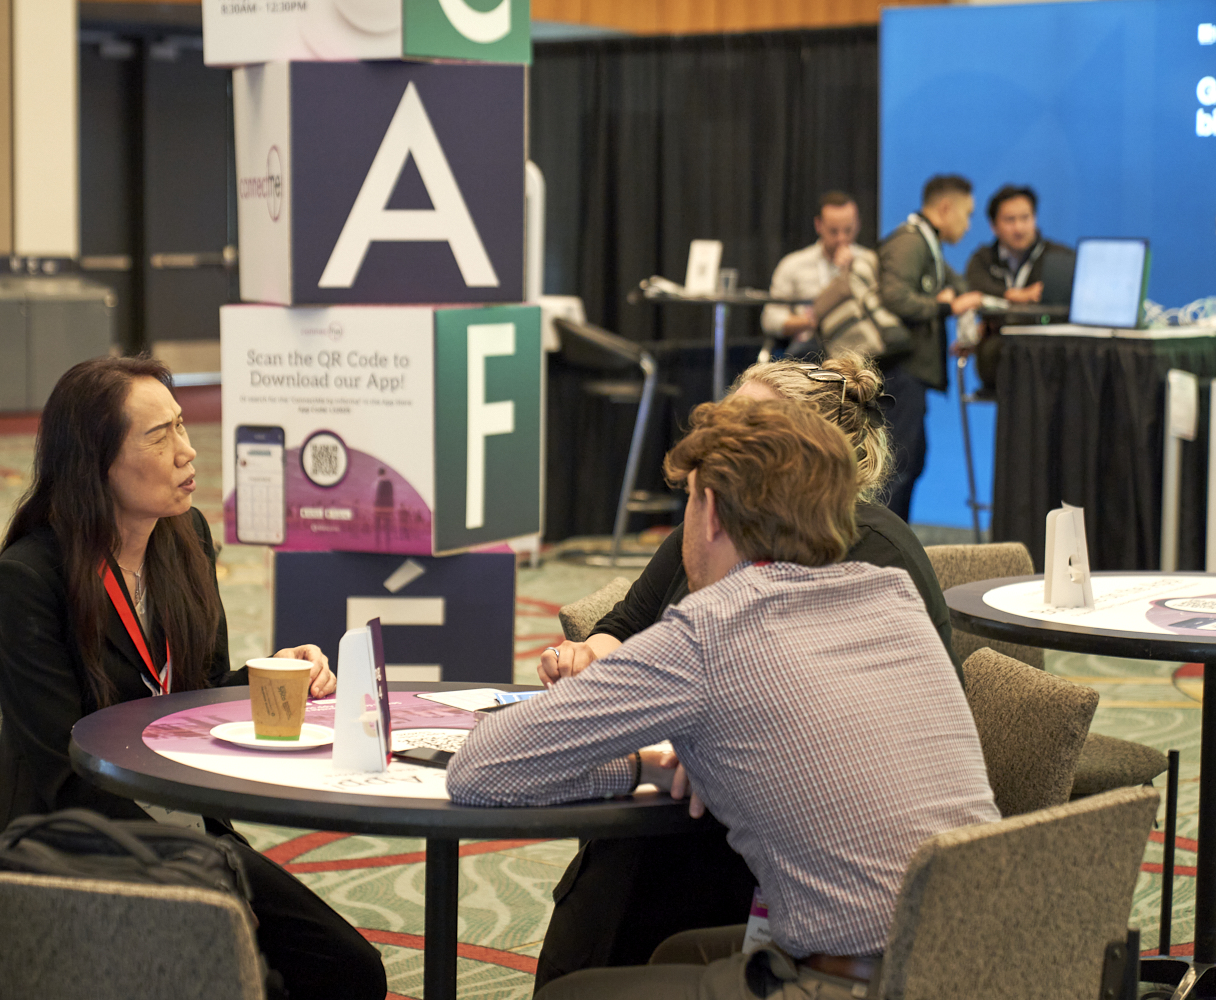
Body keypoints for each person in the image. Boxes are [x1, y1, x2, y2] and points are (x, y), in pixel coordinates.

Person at [448, 397, 998, 1000]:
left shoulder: (711, 630)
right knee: (677, 956)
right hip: (989, 952)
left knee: (569, 996)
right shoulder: (892, 595)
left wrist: (640, 765)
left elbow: (480, 769)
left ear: (708, 510)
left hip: (858, 982)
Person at [0, 356, 386, 1000]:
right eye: (158, 436)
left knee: (349, 970)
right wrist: (195, 870)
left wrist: (273, 677)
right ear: (96, 462)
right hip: (79, 841)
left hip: (191, 830)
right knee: (259, 984)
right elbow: (57, 766)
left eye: (181, 426)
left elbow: (193, 698)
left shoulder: (185, 539)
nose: (187, 451)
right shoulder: (31, 578)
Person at [877, 174, 984, 521]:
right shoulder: (910, 243)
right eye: (967, 214)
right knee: (896, 469)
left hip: (911, 377)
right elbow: (893, 297)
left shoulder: (928, 244)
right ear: (945, 207)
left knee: (911, 461)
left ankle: (894, 554)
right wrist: (942, 307)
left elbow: (959, 286)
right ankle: (883, 561)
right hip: (899, 373)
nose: (969, 226)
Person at [964, 185, 1076, 393]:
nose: (1019, 228)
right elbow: (972, 287)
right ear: (993, 226)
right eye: (1010, 220)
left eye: (1026, 218)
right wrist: (1015, 296)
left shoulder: (1060, 258)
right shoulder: (982, 259)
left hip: (1047, 353)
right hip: (998, 355)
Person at [760, 192, 878, 354]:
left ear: (858, 224)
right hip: (810, 347)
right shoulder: (793, 264)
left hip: (858, 345)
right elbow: (771, 319)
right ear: (818, 225)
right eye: (833, 231)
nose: (841, 239)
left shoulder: (869, 262)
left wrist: (851, 272)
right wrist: (810, 321)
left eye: (848, 230)